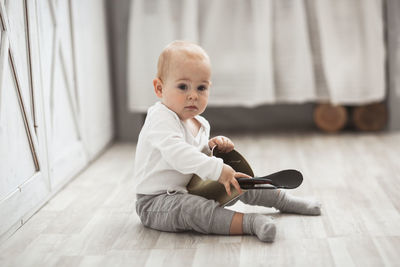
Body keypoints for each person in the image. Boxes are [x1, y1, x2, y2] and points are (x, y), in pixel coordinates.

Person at [134, 40, 321, 242]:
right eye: (183, 86)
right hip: (156, 202)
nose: (193, 96)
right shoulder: (160, 118)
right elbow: (177, 154)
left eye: (201, 88)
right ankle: (249, 223)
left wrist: (211, 147)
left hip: (189, 188)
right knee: (193, 209)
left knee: (238, 181)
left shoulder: (201, 123)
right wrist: (217, 169)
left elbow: (196, 159)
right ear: (159, 88)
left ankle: (284, 201)